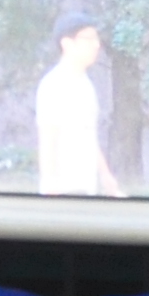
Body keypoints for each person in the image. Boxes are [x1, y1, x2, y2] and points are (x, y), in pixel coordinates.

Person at [33, 22, 122, 198]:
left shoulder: (86, 84)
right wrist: (50, 183)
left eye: (97, 39)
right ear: (67, 43)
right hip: (62, 189)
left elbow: (88, 134)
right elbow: (48, 138)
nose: (96, 45)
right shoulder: (53, 84)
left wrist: (105, 175)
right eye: (89, 39)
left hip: (86, 186)